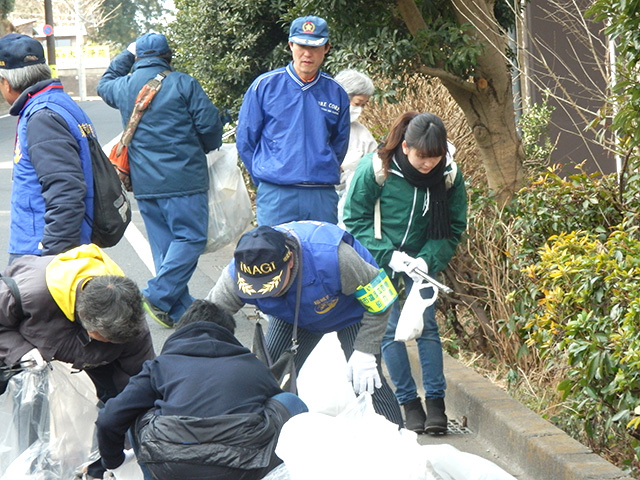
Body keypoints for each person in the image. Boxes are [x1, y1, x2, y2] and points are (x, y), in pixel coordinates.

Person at [207, 221, 404, 426]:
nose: (266, 293)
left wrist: (366, 350)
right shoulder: (234, 277)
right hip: (292, 317)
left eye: (270, 286)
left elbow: (382, 297)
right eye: (257, 288)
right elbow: (206, 319)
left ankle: (397, 441)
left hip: (352, 312)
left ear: (290, 261)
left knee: (367, 382)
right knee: (269, 378)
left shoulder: (335, 258)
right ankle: (278, 440)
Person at [343, 112, 468, 434]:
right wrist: (390, 256)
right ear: (406, 146)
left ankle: (436, 404)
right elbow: (355, 220)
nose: (427, 165)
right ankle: (409, 403)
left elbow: (454, 227)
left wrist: (427, 260)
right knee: (388, 329)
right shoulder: (377, 169)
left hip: (422, 260)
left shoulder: (449, 174)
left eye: (434, 158)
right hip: (379, 261)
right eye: (421, 157)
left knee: (426, 327)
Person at [94, 300, 307, 480]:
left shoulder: (161, 365)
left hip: (172, 467)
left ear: (182, 331)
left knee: (137, 409)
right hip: (246, 467)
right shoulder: (254, 365)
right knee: (289, 400)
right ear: (228, 335)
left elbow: (110, 418)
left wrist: (114, 462)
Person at [97, 33, 223, 328]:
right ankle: (157, 295)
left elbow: (104, 82)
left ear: (138, 58)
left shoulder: (125, 86)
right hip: (184, 179)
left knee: (165, 248)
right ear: (169, 56)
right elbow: (209, 125)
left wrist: (126, 54)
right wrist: (203, 147)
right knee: (191, 238)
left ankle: (178, 312)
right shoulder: (183, 83)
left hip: (145, 184)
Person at [0, 243, 154, 404]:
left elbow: (141, 374)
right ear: (83, 317)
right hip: (27, 354)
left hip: (96, 363)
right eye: (107, 338)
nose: (111, 342)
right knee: (30, 409)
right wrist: (19, 351)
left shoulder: (130, 318)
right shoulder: (30, 294)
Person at [236, 16, 350, 226]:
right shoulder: (264, 86)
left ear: (326, 48)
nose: (307, 53)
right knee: (273, 256)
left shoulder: (337, 93)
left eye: (315, 47)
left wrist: (320, 165)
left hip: (321, 194)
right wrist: (266, 177)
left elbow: (339, 144)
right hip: (276, 194)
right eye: (301, 45)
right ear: (290, 45)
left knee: (322, 256)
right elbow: (246, 140)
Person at [0, 33, 97, 262]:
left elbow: (66, 190)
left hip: (40, 251)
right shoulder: (58, 103)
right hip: (51, 246)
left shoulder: (42, 117)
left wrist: (51, 259)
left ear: (7, 81)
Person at [333, 69, 378, 225]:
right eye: (357, 103)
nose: (359, 109)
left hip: (352, 203)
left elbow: (378, 166)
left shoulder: (362, 134)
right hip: (320, 197)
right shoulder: (318, 126)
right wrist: (342, 167)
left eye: (363, 105)